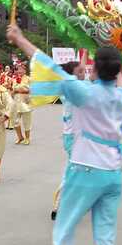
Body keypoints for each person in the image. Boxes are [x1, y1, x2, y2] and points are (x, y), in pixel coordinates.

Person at [7, 24, 122, 245]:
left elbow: (49, 65)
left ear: (94, 69)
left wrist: (20, 38)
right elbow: (119, 74)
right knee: (105, 237)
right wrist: (118, 46)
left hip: (86, 170)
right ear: (117, 70)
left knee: (63, 232)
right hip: (114, 173)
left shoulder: (84, 92)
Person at [51, 60, 86, 221]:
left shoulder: (68, 88)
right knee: (73, 171)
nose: (83, 73)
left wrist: (84, 52)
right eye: (80, 71)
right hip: (75, 137)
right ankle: (60, 204)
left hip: (73, 136)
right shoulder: (73, 90)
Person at [11, 62, 33, 145]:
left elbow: (33, 89)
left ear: (25, 70)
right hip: (16, 102)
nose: (19, 71)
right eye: (18, 69)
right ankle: (20, 137)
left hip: (25, 101)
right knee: (15, 121)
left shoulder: (28, 79)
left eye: (21, 69)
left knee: (27, 121)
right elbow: (12, 90)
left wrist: (24, 90)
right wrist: (13, 92)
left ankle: (27, 138)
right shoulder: (14, 79)